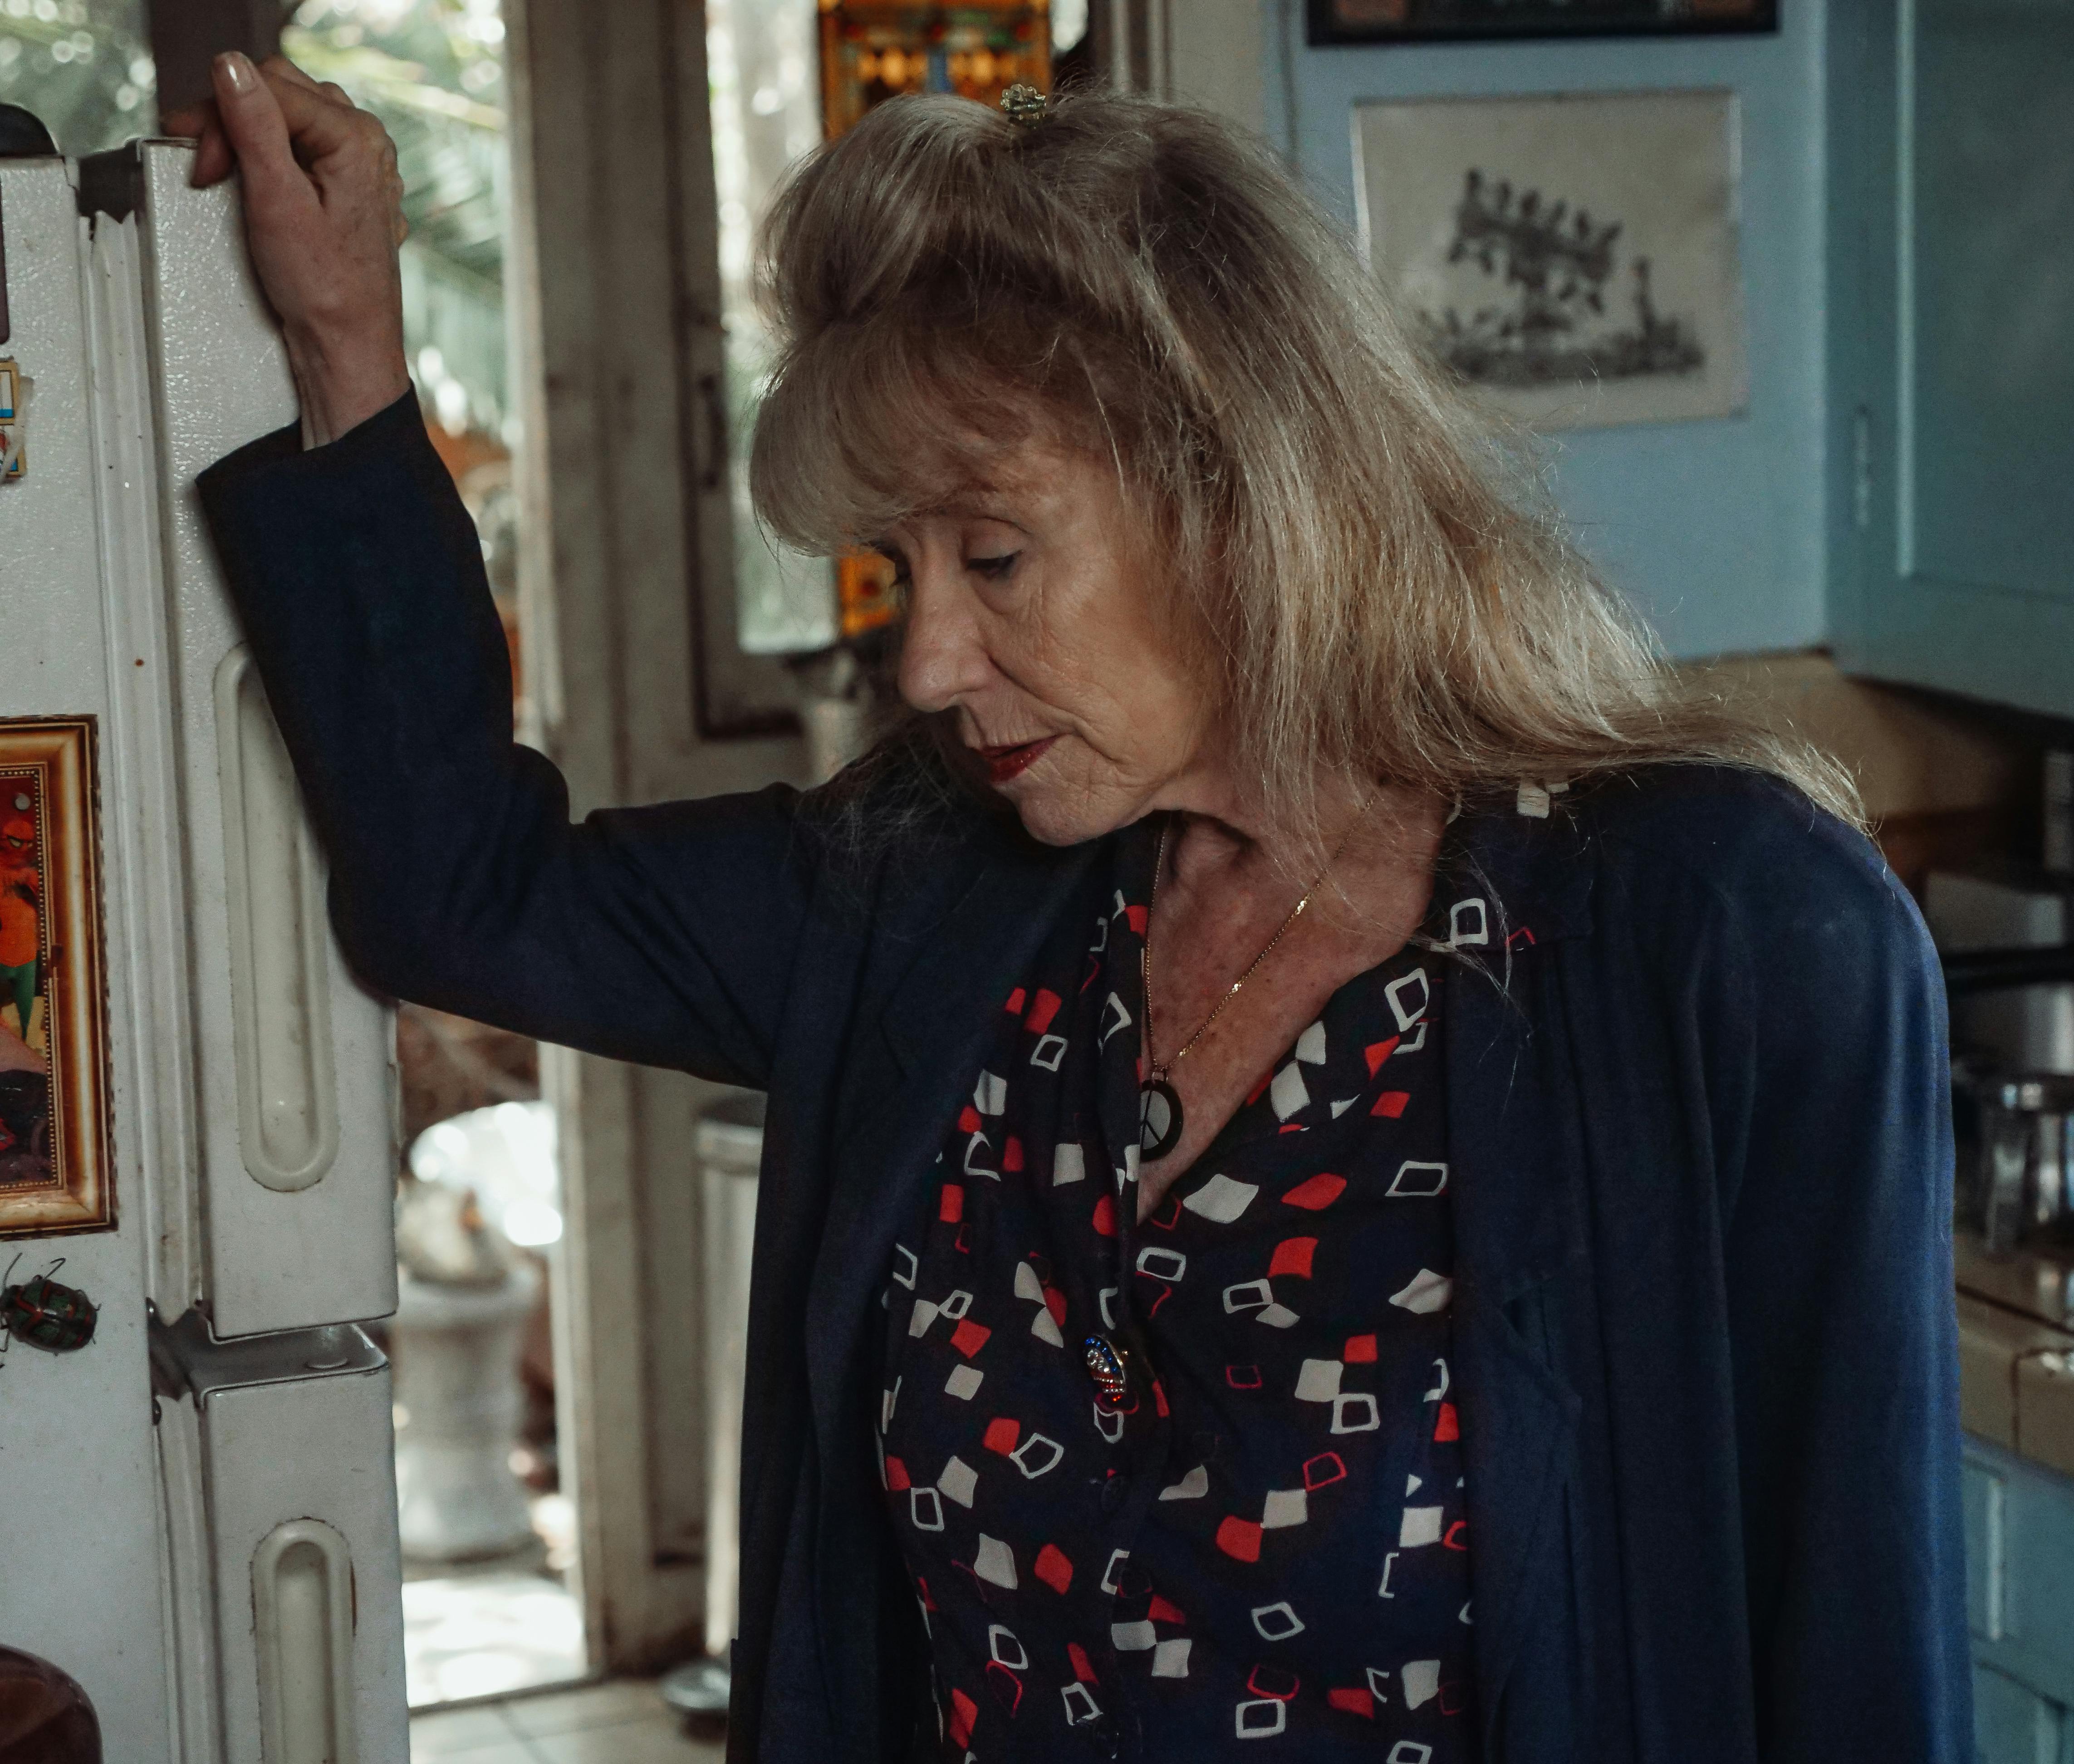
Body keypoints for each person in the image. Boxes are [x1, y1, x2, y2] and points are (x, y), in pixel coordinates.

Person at [172, 50, 1969, 1764]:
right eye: (901, 570)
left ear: (1237, 494)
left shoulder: (1719, 937)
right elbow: (466, 899)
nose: (932, 658)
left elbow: (1851, 1648)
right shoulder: (932, 899)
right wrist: (347, 346)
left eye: (997, 555)